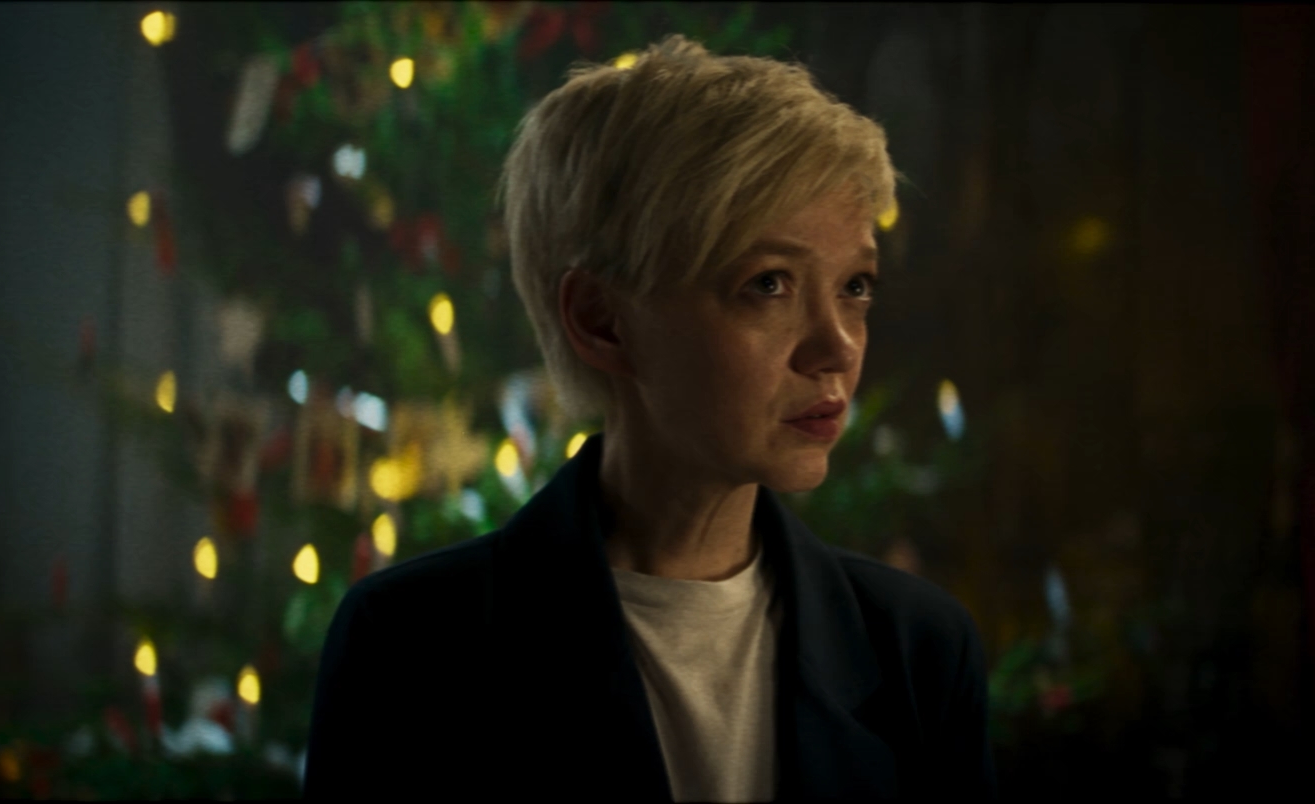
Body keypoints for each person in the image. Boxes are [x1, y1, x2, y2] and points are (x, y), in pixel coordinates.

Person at [303, 35, 995, 801]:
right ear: (600, 320)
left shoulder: (919, 652)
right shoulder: (409, 649)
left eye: (855, 287)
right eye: (769, 284)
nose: (838, 347)